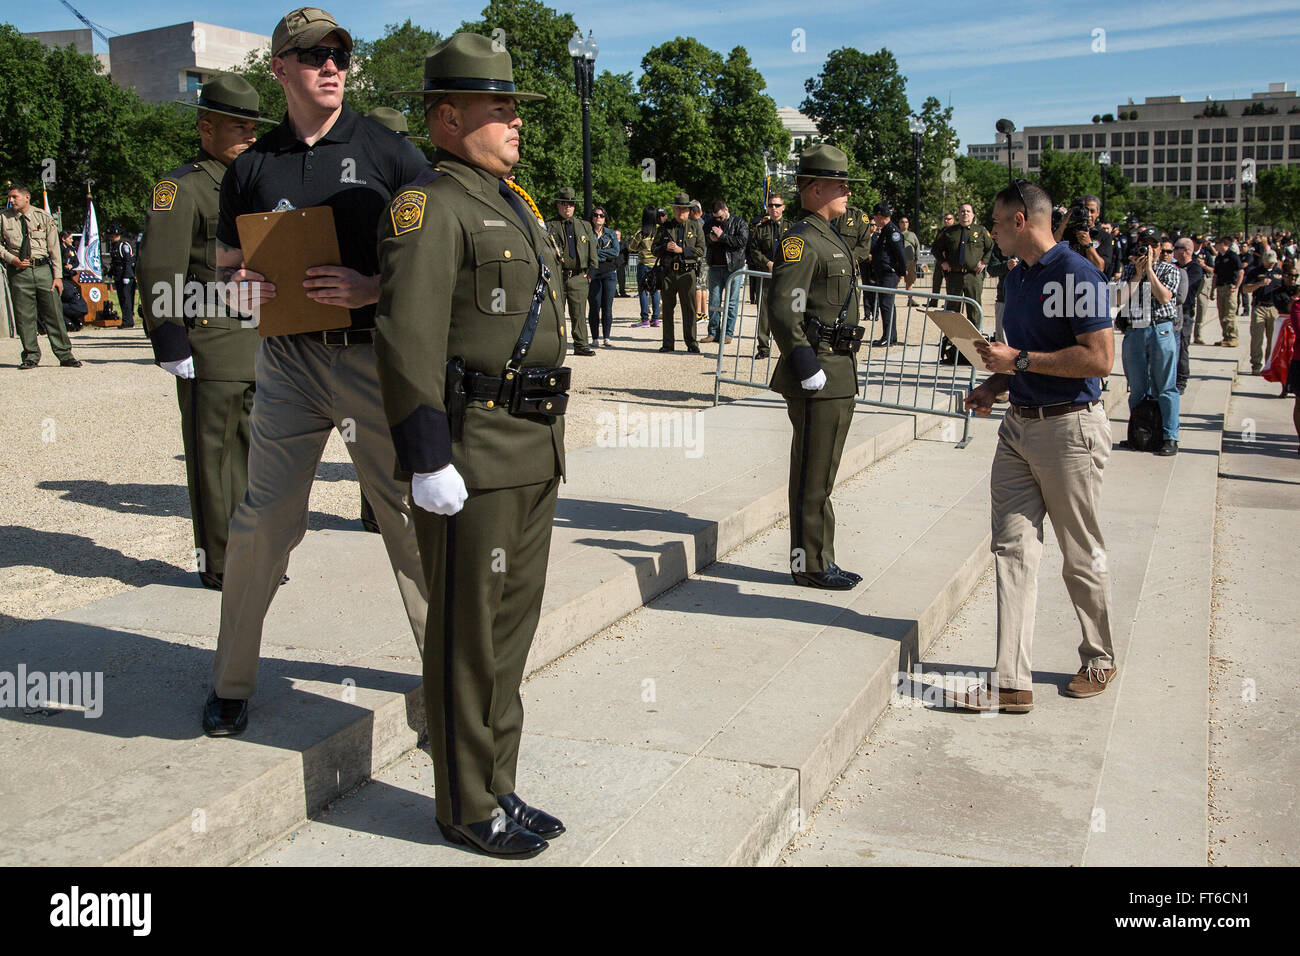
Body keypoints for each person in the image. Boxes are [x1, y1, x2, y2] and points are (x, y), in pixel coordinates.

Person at [200, 7, 431, 737]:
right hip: (288, 361)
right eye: (312, 56)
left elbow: (439, 265)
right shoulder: (251, 166)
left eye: (338, 53)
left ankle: (451, 682)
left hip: (370, 357)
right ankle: (231, 681)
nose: (330, 65)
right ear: (279, 70)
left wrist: (374, 290)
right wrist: (236, 290)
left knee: (408, 519)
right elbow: (225, 266)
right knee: (261, 521)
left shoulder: (393, 153)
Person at [377, 31, 568, 859]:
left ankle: (499, 782)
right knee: (465, 638)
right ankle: (464, 804)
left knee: (510, 634)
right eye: (498, 107)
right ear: (448, 117)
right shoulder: (430, 205)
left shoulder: (513, 202)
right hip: (471, 451)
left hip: (531, 447)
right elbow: (405, 335)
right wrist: (426, 457)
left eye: (515, 106)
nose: (514, 120)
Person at [949, 179, 1116, 713]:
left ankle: (1099, 656)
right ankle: (1011, 680)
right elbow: (1018, 354)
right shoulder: (1016, 278)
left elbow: (1098, 360)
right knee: (1012, 550)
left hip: (1069, 432)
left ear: (1021, 221)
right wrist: (993, 384)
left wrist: (1017, 361)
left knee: (1079, 551)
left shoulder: (1078, 274)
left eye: (995, 223)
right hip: (1018, 428)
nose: (990, 232)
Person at [137, 74, 272, 589]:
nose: (249, 137)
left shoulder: (253, 184)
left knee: (258, 457)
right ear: (206, 127)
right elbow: (161, 265)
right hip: (211, 340)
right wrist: (170, 339)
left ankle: (255, 555)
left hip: (261, 340)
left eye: (253, 128)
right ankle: (221, 563)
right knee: (215, 460)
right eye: (238, 127)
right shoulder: (184, 187)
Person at [768, 144, 867, 591]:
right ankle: (807, 564)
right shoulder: (801, 239)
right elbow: (785, 309)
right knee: (811, 475)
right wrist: (805, 362)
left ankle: (821, 556)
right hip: (819, 369)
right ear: (815, 188)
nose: (847, 192)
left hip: (839, 368)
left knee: (823, 474)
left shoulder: (830, 235)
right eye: (840, 184)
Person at [1117, 227, 1181, 456]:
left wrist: (1151, 271)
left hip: (1160, 329)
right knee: (1137, 389)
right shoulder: (1129, 270)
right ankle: (1139, 433)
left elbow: (1164, 297)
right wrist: (1137, 274)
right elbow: (1118, 298)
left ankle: (1169, 436)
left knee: (1165, 387)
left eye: (1154, 246)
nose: (1150, 249)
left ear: (1160, 248)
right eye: (1145, 245)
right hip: (1135, 330)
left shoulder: (1170, 271)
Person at [2, 183, 81, 369]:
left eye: (15, 197)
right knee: (24, 316)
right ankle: (30, 355)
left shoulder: (43, 217)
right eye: (9, 197)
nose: (11, 200)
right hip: (19, 272)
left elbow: (54, 248)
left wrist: (58, 276)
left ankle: (65, 354)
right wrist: (12, 259)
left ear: (26, 197)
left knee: (53, 313)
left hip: (43, 270)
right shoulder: (3, 219)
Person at [544, 186, 596, 356]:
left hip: (578, 276)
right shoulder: (549, 225)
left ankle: (581, 345)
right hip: (558, 276)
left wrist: (591, 272)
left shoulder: (584, 225)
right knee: (556, 313)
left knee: (579, 313)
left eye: (571, 204)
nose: (568, 207)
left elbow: (592, 249)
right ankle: (556, 347)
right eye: (564, 203)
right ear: (558, 205)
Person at [653, 192, 705, 353]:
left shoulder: (695, 226)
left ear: (689, 211)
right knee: (667, 309)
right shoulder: (665, 227)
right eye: (677, 209)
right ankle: (668, 343)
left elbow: (701, 250)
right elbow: (654, 249)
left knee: (689, 308)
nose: (680, 212)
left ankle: (691, 342)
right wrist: (664, 248)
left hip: (686, 273)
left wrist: (682, 250)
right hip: (669, 273)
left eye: (683, 209)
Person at [932, 201, 992, 331]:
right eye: (962, 211)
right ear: (958, 215)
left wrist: (984, 261)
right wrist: (943, 262)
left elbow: (990, 247)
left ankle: (975, 340)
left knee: (974, 310)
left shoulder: (980, 231)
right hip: (954, 276)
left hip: (973, 276)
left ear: (973, 215)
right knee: (953, 311)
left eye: (968, 211)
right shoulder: (949, 232)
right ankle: (952, 340)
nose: (965, 214)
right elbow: (935, 248)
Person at [747, 193, 792, 360]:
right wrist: (767, 263)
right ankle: (764, 347)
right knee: (764, 313)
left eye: (777, 205)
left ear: (783, 207)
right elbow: (754, 250)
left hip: (786, 277)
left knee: (787, 313)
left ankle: (789, 348)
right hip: (766, 276)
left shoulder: (791, 228)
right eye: (771, 205)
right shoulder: (761, 229)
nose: (774, 208)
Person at [703, 199, 748, 345]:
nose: (718, 220)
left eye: (720, 217)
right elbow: (703, 240)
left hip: (734, 268)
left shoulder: (739, 223)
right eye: (716, 217)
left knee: (731, 302)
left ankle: (728, 333)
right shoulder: (709, 222)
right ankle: (713, 332)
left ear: (727, 210)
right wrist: (710, 239)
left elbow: (742, 241)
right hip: (715, 266)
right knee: (714, 301)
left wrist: (722, 237)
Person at [865, 202, 908, 347]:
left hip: (889, 273)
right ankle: (891, 335)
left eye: (876, 217)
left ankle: (888, 336)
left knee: (886, 304)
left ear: (880, 216)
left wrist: (902, 271)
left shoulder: (892, 231)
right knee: (887, 304)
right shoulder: (885, 230)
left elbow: (901, 254)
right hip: (883, 272)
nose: (875, 221)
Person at [1242, 248, 1284, 375]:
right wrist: (1259, 284)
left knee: (1272, 339)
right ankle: (1256, 365)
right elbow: (1245, 289)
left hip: (1274, 309)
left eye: (1273, 262)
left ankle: (1269, 365)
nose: (1271, 264)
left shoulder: (1279, 272)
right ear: (1263, 260)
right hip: (1259, 307)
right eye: (1268, 262)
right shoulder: (1255, 272)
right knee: (1257, 338)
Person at [1172, 237, 1204, 394]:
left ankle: (1181, 379)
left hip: (1184, 313)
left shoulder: (1195, 269)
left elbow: (1181, 286)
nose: (1172, 251)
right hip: (1171, 312)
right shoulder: (1173, 266)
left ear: (1185, 251)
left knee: (1182, 346)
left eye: (1176, 248)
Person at [587, 204, 618, 347]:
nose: (598, 217)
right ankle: (594, 338)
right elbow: (586, 252)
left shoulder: (610, 233)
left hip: (609, 272)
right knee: (594, 305)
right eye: (595, 215)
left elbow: (615, 252)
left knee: (607, 306)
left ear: (605, 218)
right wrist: (601, 254)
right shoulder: (587, 232)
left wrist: (596, 253)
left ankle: (607, 337)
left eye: (601, 215)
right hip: (593, 272)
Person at [629, 205, 660, 328]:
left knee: (643, 291)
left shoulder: (641, 231)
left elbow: (631, 247)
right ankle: (656, 319)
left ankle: (645, 318)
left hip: (644, 264)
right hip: (656, 264)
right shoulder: (659, 230)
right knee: (655, 290)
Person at [1210, 236, 1242, 348]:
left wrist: (1237, 287)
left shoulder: (1233, 256)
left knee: (1229, 314)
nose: (1216, 246)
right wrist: (1212, 289)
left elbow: (1240, 272)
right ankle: (1226, 337)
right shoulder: (1219, 258)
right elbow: (1216, 275)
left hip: (1230, 287)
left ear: (1223, 244)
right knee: (1222, 313)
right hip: (1220, 287)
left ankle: (1233, 337)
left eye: (1217, 244)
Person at [106, 223, 137, 329]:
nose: (110, 238)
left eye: (111, 235)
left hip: (125, 275)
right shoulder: (114, 245)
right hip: (118, 275)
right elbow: (114, 262)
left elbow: (127, 261)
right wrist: (110, 274)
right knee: (122, 299)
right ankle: (126, 319)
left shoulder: (123, 245)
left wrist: (127, 275)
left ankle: (128, 320)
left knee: (127, 299)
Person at [898, 215, 920, 290]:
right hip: (898, 259)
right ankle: (891, 300)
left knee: (909, 281)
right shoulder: (896, 234)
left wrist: (916, 259)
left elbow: (917, 246)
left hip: (910, 259)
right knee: (895, 280)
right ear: (899, 223)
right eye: (902, 222)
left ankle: (910, 300)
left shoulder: (912, 235)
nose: (904, 223)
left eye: (906, 222)